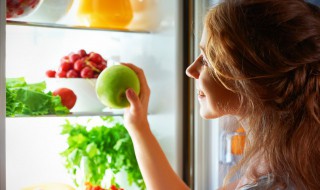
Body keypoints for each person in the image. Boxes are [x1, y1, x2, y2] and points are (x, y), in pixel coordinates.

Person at [121, 0, 320, 189]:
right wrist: (139, 126)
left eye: (206, 60)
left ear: (251, 77)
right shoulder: (284, 157)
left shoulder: (277, 179)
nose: (191, 70)